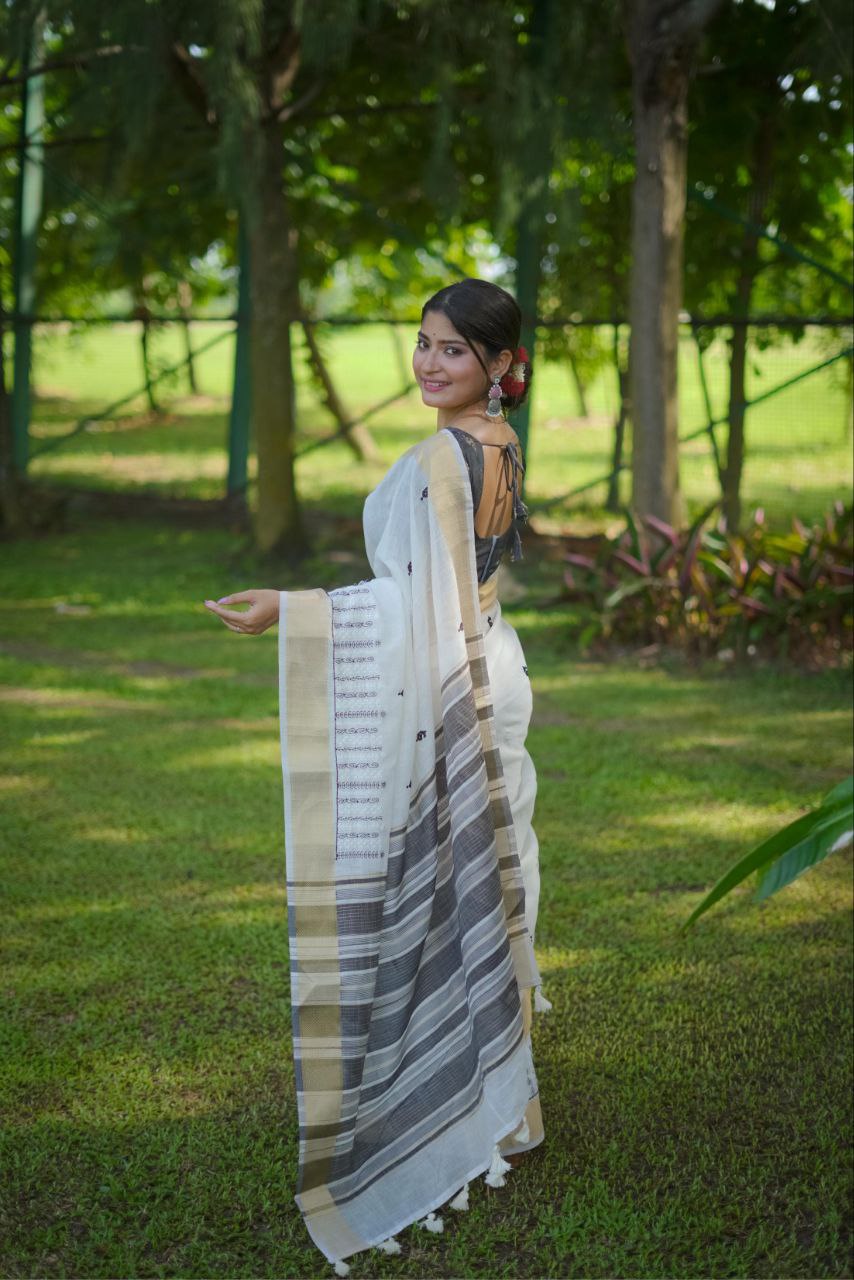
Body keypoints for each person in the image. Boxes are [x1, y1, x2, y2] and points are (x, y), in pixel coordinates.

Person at [204, 277, 551, 1276]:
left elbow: (423, 607)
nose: (430, 363)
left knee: (451, 886)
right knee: (487, 885)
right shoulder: (494, 438)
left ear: (497, 364)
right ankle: (507, 1102)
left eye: (452, 350)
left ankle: (477, 1101)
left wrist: (297, 608)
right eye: (423, 343)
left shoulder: (451, 453)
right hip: (494, 657)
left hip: (460, 676)